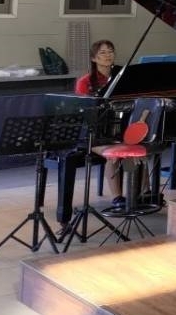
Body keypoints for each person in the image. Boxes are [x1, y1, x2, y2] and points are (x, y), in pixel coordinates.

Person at [57, 40, 124, 227]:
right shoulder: (85, 82)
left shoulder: (120, 78)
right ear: (94, 58)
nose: (108, 55)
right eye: (103, 53)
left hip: (114, 130)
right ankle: (118, 198)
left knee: (138, 149)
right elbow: (82, 112)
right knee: (114, 154)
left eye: (111, 51)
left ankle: (144, 194)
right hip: (90, 133)